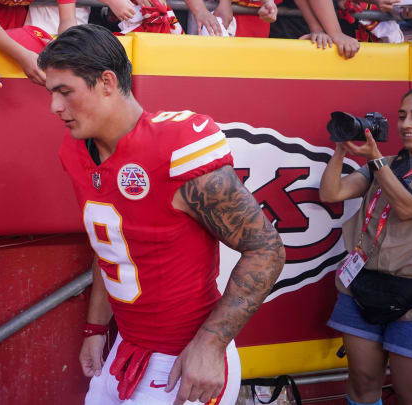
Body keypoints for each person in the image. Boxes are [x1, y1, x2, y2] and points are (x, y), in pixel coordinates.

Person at [38, 24, 285, 405]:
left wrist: (210, 344)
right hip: (126, 347)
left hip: (182, 359)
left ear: (106, 82)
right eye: (51, 93)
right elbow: (114, 245)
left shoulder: (175, 149)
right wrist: (95, 328)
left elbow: (266, 248)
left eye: (64, 91)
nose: (54, 107)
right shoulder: (74, 154)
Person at [319, 90, 412, 405]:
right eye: (401, 116)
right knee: (362, 382)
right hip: (361, 285)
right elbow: (331, 193)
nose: (406, 124)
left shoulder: (378, 164)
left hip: (410, 295)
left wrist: (374, 159)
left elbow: (406, 208)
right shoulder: (384, 164)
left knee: (407, 392)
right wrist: (340, 150)